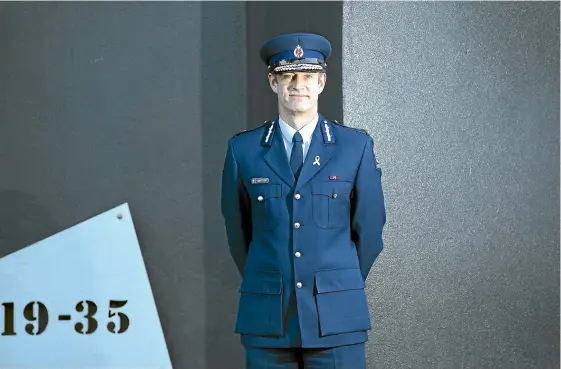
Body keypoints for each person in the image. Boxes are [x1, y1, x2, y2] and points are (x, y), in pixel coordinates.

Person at [221, 32, 386, 369]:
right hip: (269, 321)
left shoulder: (354, 148)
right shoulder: (244, 150)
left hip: (337, 319)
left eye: (308, 76)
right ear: (273, 82)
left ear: (321, 82)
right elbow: (238, 234)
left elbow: (370, 231)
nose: (299, 85)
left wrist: (338, 283)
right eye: (288, 76)